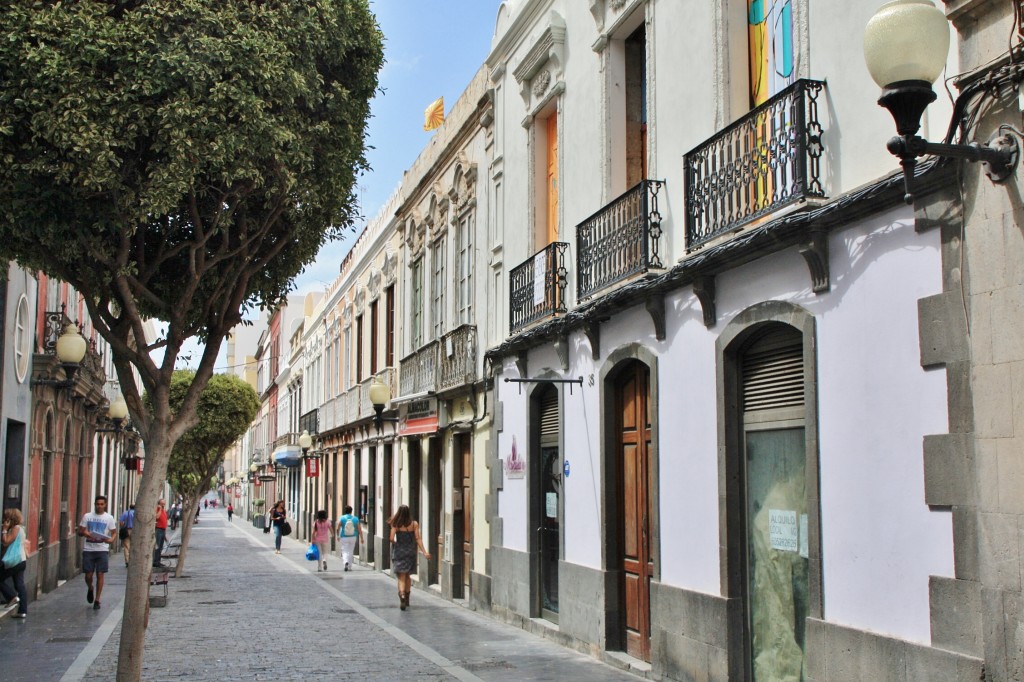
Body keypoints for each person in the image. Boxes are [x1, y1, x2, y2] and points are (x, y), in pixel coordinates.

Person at [78, 495, 116, 610]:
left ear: (105, 505)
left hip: (102, 549)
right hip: (89, 549)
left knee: (100, 574)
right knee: (88, 574)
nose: (99, 506)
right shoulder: (87, 516)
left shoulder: (109, 518)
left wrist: (111, 540)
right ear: (94, 504)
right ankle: (90, 587)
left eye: (101, 504)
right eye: (97, 504)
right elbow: (80, 531)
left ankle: (97, 600)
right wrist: (86, 534)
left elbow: (114, 532)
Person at [388, 505, 429, 611]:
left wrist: (397, 543)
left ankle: (401, 595)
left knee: (401, 576)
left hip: (399, 552)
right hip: (410, 552)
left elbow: (391, 538)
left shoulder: (395, 524)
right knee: (407, 575)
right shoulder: (414, 524)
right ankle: (407, 599)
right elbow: (418, 538)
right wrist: (424, 552)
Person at [0, 508, 28, 619]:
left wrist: (4, 529)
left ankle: (11, 596)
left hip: (15, 561)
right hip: (20, 560)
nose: (4, 520)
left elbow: (6, 542)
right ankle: (22, 611)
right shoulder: (21, 528)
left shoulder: (16, 528)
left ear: (10, 519)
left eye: (6, 518)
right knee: (19, 584)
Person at [337, 505, 360, 572]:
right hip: (353, 536)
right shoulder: (355, 519)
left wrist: (338, 536)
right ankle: (349, 566)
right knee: (351, 551)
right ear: (351, 511)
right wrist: (361, 538)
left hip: (344, 537)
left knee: (344, 550)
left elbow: (338, 528)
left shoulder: (342, 518)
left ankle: (345, 562)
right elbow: (359, 529)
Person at [152, 498, 168, 567]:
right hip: (158, 530)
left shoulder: (164, 510)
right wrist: (160, 509)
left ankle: (158, 561)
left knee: (161, 546)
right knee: (157, 546)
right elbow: (157, 517)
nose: (163, 505)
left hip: (163, 530)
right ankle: (155, 561)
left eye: (164, 503)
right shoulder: (158, 509)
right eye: (162, 503)